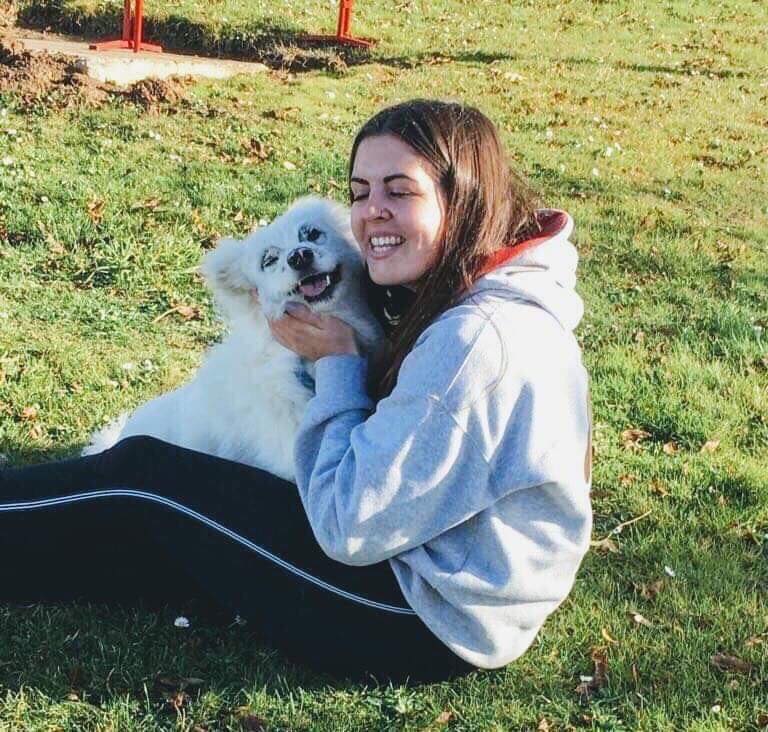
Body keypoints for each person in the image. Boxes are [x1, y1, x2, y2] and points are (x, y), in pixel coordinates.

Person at [0, 99, 592, 683]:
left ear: (462, 197)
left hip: (417, 615)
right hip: (453, 583)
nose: (372, 213)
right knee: (167, 525)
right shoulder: (496, 296)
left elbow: (346, 525)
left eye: (399, 191)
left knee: (146, 479)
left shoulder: (475, 343)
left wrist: (336, 362)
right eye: (360, 193)